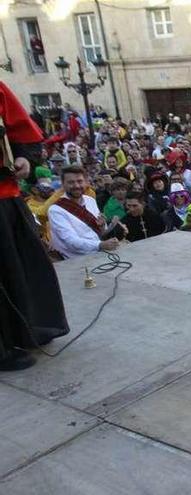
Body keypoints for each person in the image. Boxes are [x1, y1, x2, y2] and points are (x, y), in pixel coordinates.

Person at [0, 82, 69, 371]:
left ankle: (27, 329)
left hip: (5, 195)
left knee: (24, 267)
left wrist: (24, 158)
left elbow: (22, 133)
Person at [49, 166, 120, 259]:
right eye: (71, 182)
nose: (76, 186)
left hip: (99, 254)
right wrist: (100, 244)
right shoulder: (55, 210)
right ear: (62, 184)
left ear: (86, 182)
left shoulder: (90, 200)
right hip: (75, 261)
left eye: (80, 181)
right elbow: (71, 241)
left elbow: (98, 234)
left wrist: (102, 227)